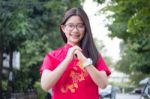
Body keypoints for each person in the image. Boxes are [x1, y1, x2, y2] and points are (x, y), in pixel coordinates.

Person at [40, 7, 111, 99]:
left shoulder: (94, 55)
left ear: (85, 28)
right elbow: (45, 85)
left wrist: (84, 60)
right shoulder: (52, 56)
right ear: (63, 28)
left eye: (80, 26)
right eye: (70, 25)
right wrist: (67, 59)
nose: (75, 30)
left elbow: (103, 84)